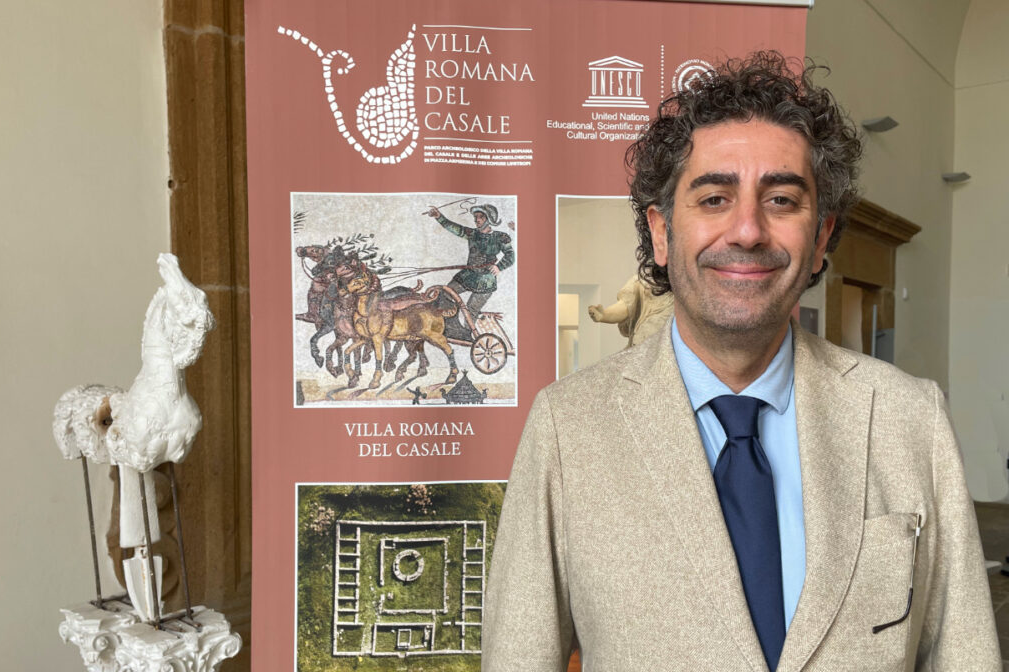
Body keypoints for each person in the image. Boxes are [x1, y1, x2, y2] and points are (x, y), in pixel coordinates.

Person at [482, 52, 999, 671]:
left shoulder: (912, 419)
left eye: (781, 199)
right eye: (714, 198)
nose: (748, 230)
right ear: (662, 233)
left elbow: (965, 654)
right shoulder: (568, 428)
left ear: (820, 238)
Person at [427, 203, 514, 340]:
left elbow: (510, 256)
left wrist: (499, 267)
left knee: (472, 308)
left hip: (486, 280)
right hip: (468, 275)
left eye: (481, 217)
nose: (477, 220)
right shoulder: (472, 234)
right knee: (447, 293)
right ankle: (450, 327)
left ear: (489, 220)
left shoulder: (500, 237)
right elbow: (455, 228)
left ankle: (466, 334)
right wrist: (439, 216)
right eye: (476, 217)